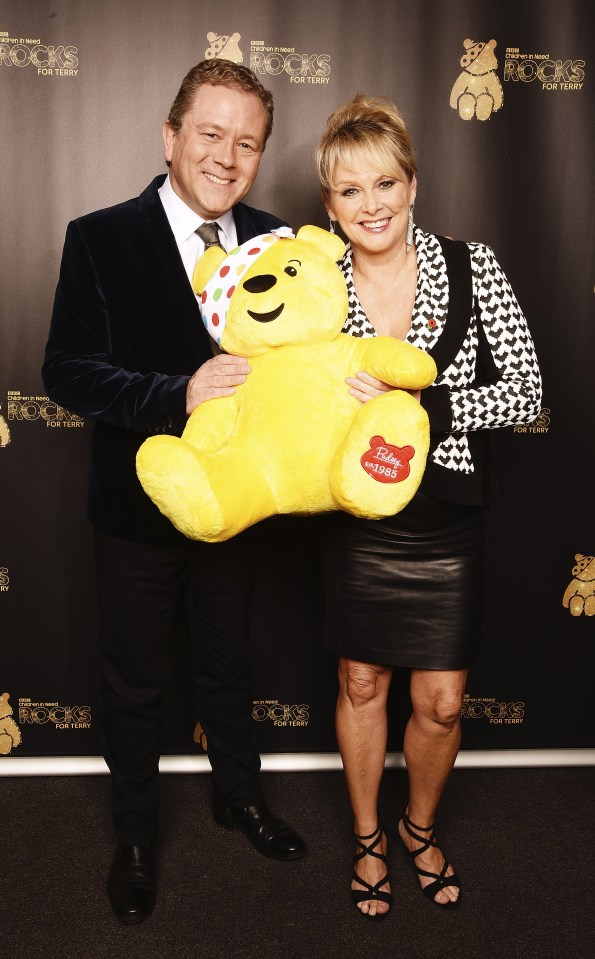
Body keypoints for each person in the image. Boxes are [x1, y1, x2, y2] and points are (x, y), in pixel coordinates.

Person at [42, 59, 305, 926]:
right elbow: (68, 372)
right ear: (170, 137)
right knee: (135, 680)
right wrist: (174, 393)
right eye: (210, 133)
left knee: (230, 666)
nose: (227, 157)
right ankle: (135, 833)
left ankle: (240, 799)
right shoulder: (100, 237)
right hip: (136, 512)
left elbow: (302, 368)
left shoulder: (279, 241)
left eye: (247, 142)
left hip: (236, 510)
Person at [315, 94, 542, 919]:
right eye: (349, 190)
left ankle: (419, 824)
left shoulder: (471, 263)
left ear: (412, 184)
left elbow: (526, 389)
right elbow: (293, 402)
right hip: (359, 514)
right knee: (362, 677)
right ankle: (370, 833)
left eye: (384, 183)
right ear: (329, 205)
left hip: (446, 511)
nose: (369, 204)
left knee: (442, 699)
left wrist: (426, 407)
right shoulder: (316, 286)